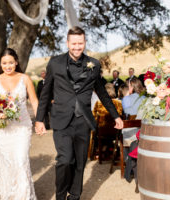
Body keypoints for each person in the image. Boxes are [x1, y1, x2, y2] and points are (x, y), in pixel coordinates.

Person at [35, 26, 123, 200]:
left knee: (80, 163)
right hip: (61, 120)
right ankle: (61, 196)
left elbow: (102, 93)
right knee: (65, 160)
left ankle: (74, 196)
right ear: (67, 43)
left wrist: (116, 116)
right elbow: (45, 93)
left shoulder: (94, 64)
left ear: (84, 43)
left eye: (80, 43)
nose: (77, 47)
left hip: (83, 121)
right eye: (73, 43)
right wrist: (39, 120)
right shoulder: (55, 63)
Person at [0, 48, 38, 200]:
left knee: (21, 161)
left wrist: (40, 121)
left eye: (10, 62)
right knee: (6, 165)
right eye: (4, 63)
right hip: (1, 131)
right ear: (0, 64)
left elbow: (34, 100)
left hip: (22, 128)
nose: (8, 66)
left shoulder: (25, 79)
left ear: (16, 62)